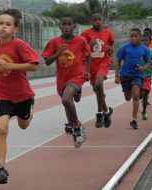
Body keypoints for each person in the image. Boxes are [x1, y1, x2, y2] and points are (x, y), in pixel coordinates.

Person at [0, 8, 39, 184]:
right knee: (1, 129)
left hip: (21, 94)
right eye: (1, 23)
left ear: (14, 29)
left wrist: (12, 66)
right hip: (2, 94)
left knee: (23, 125)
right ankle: (1, 168)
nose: (3, 27)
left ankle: (29, 111)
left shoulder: (19, 45)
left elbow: (33, 65)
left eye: (8, 25)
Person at [42, 15, 90, 148]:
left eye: (69, 24)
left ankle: (77, 126)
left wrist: (87, 71)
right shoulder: (54, 42)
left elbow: (88, 54)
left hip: (77, 75)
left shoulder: (81, 41)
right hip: (62, 78)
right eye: (64, 24)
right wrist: (58, 53)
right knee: (67, 105)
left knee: (66, 99)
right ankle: (76, 132)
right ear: (60, 27)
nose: (66, 27)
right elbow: (47, 61)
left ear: (74, 27)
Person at [81, 12, 115, 128]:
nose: (98, 22)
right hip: (91, 65)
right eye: (95, 20)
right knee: (97, 91)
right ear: (91, 21)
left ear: (102, 20)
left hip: (103, 63)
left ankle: (99, 114)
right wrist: (89, 45)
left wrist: (110, 50)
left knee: (99, 84)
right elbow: (82, 48)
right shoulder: (86, 33)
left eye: (99, 19)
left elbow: (111, 45)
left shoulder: (107, 33)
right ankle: (107, 111)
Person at [115, 28, 150, 129]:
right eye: (131, 36)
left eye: (136, 36)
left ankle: (133, 120)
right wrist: (117, 75)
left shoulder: (144, 49)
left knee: (135, 96)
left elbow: (148, 62)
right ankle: (133, 93)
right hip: (125, 75)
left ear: (140, 37)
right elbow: (118, 61)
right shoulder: (124, 48)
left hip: (137, 75)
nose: (133, 38)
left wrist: (143, 68)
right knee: (127, 97)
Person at [140, 34, 152, 120]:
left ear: (149, 42)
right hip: (137, 76)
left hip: (147, 75)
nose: (144, 42)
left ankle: (144, 111)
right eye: (142, 41)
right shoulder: (136, 51)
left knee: (145, 93)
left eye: (146, 41)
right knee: (138, 95)